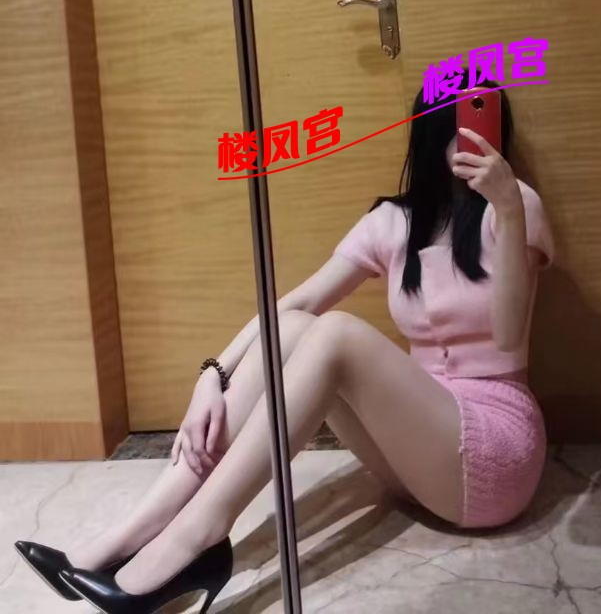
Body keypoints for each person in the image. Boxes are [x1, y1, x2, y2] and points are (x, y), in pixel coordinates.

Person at [15, 75, 554, 613]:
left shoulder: (516, 206)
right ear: (428, 130)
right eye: (455, 121)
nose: (471, 136)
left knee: (337, 334)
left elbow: (509, 337)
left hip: (493, 451)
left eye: (483, 117)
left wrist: (507, 208)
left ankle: (194, 540)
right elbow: (295, 303)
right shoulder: (396, 222)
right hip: (417, 461)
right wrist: (212, 375)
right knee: (297, 327)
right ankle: (126, 538)